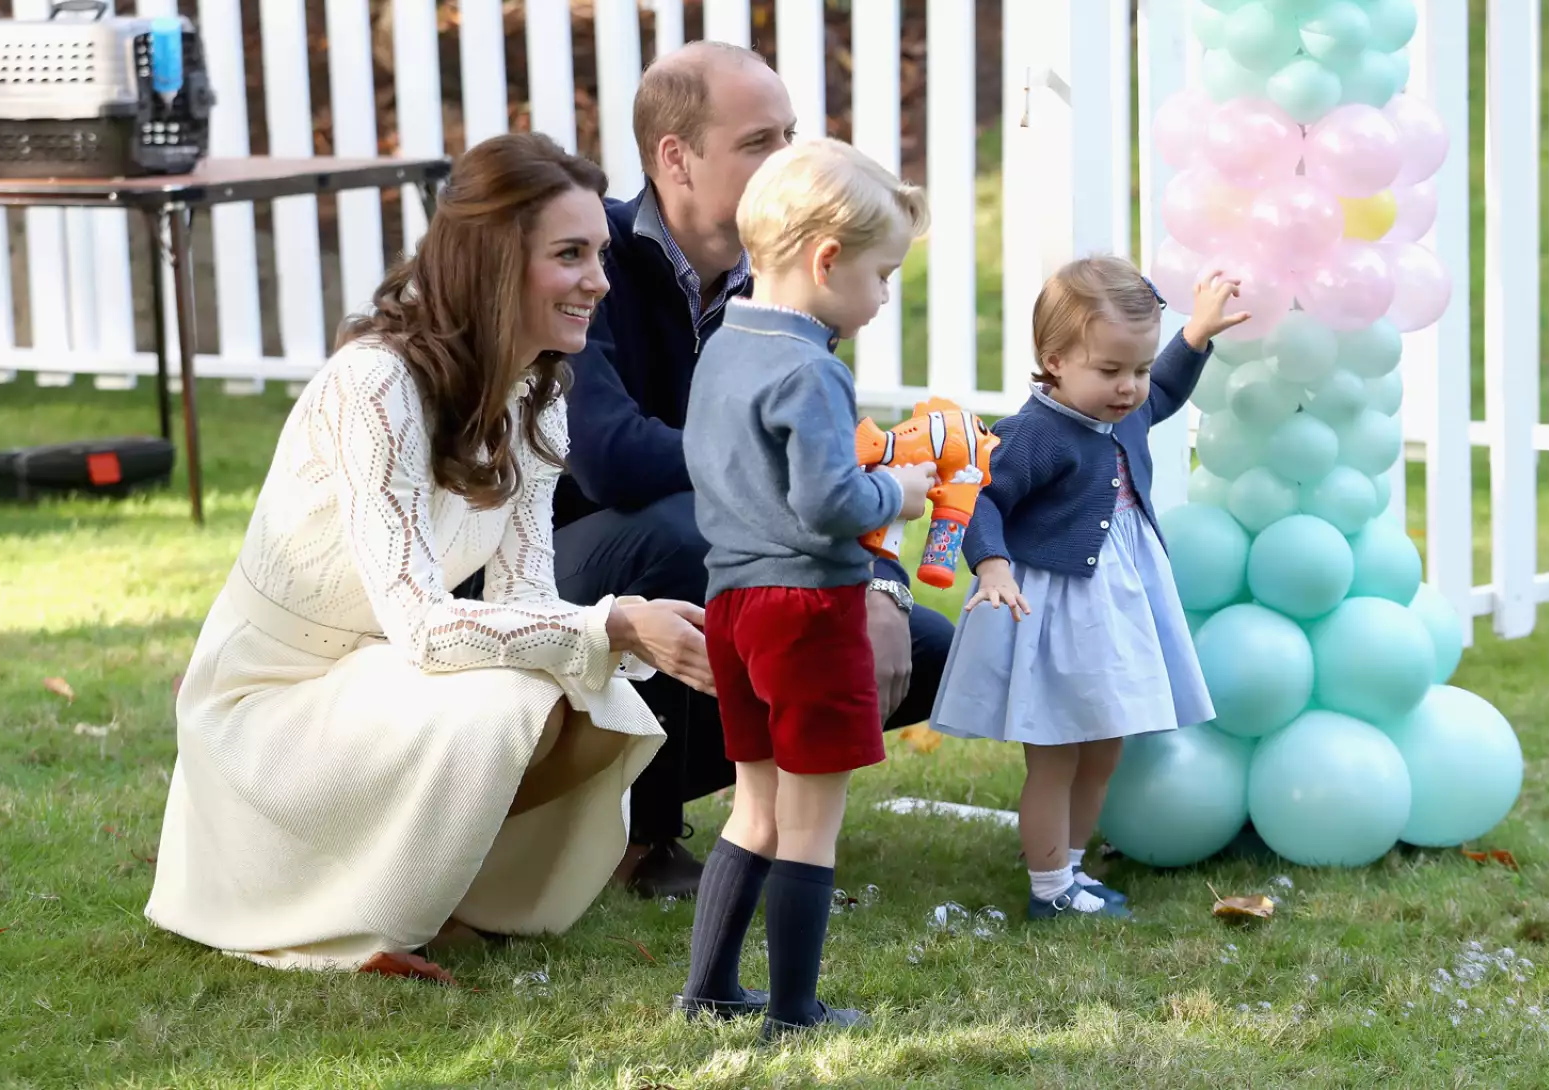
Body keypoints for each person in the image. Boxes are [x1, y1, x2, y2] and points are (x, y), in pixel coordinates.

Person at [144, 132, 713, 974]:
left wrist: (607, 637)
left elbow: (525, 599)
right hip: (271, 699)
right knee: (511, 700)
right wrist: (614, 624)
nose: (599, 279)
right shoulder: (377, 385)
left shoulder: (535, 395)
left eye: (599, 253)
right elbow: (422, 629)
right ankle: (354, 905)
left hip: (374, 678)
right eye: (569, 254)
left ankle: (452, 890)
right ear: (493, 262)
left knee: (586, 696)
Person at [528, 39, 956, 900]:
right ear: (676, 159)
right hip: (552, 577)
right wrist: (758, 465)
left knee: (925, 652)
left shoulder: (789, 277)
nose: (787, 157)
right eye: (759, 140)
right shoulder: (592, 258)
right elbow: (609, 459)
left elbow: (824, 461)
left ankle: (720, 813)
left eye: (790, 134)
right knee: (683, 532)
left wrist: (881, 585)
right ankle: (641, 836)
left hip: (712, 560)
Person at [674, 138, 933, 1040]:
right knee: (812, 823)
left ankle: (710, 988)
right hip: (810, 609)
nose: (884, 296)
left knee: (755, 807)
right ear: (826, 261)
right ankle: (795, 1010)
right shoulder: (813, 369)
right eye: (881, 275)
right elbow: (829, 504)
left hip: (732, 604)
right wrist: (896, 491)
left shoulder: (724, 346)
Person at [928, 257, 1250, 921]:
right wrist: (991, 564)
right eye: (1110, 370)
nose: (1129, 388)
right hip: (1057, 611)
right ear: (1054, 361)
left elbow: (1164, 392)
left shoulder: (1123, 406)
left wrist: (1195, 335)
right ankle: (1049, 889)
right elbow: (979, 496)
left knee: (1104, 745)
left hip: (1118, 602)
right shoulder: (1035, 433)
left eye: (1137, 368)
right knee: (1056, 751)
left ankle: (1070, 870)